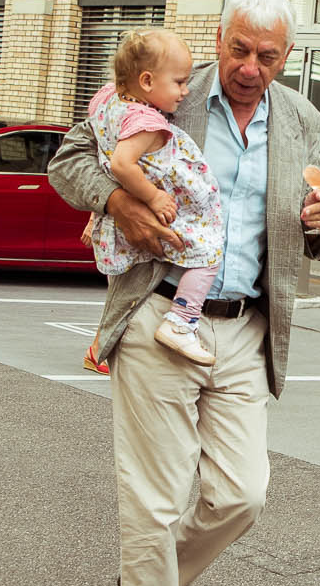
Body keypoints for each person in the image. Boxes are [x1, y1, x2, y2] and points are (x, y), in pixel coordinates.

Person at [49, 0, 320, 586]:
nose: (250, 65)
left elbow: (312, 237)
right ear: (218, 39)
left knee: (241, 492)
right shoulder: (162, 89)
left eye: (267, 55)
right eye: (239, 48)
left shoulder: (304, 121)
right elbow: (69, 161)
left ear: (288, 56)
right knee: (154, 491)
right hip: (157, 312)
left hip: (244, 325)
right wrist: (120, 202)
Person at [81, 28, 226, 365]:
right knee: (209, 249)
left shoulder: (105, 99)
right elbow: (121, 163)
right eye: (178, 82)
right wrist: (153, 197)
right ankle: (182, 321)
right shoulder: (146, 120)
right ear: (146, 81)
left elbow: (104, 146)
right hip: (168, 202)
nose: (185, 90)